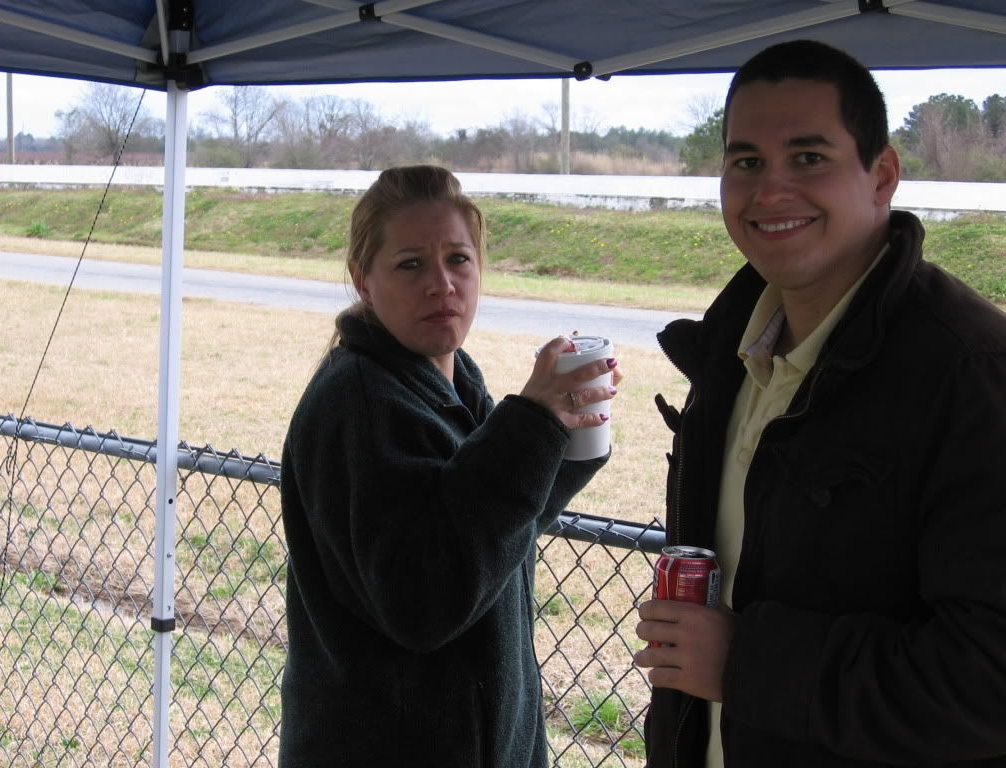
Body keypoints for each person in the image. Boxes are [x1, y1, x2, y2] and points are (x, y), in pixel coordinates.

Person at [634, 39, 1006, 767]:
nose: (770, 191)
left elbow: (990, 676)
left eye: (808, 158)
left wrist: (746, 662)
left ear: (882, 176)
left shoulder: (970, 375)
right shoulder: (729, 354)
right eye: (746, 163)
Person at [279, 164, 621, 767]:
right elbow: (425, 600)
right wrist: (529, 427)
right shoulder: (362, 405)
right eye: (410, 264)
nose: (442, 284)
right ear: (363, 280)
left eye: (458, 259)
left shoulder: (451, 375)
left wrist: (560, 437)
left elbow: (488, 532)